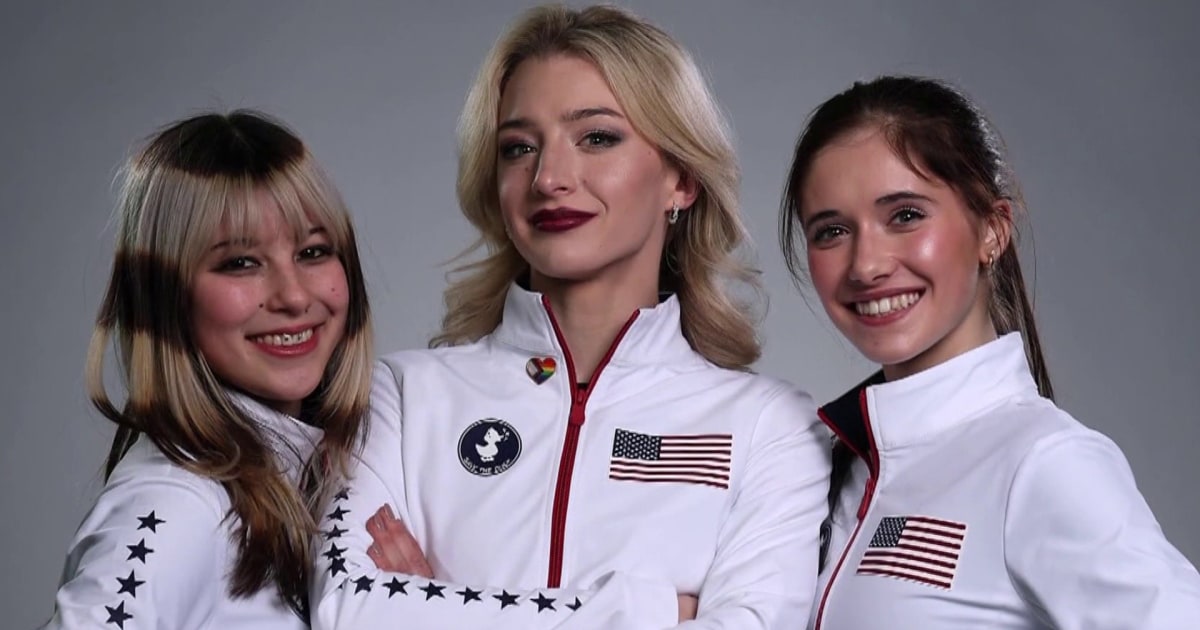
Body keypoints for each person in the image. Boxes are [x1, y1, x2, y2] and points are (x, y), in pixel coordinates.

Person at [311, 5, 830, 629]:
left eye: (597, 138)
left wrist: (429, 607)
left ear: (682, 180)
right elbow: (347, 609)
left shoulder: (771, 427)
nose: (549, 178)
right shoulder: (397, 398)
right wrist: (649, 611)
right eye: (519, 148)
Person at [779, 75, 1200, 629]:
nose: (867, 265)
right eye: (832, 231)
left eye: (905, 215)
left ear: (993, 231)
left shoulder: (1044, 463)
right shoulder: (821, 467)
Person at [43, 111, 373, 629]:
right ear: (166, 295)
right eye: (240, 262)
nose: (293, 296)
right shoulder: (175, 501)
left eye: (313, 252)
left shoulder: (316, 477)